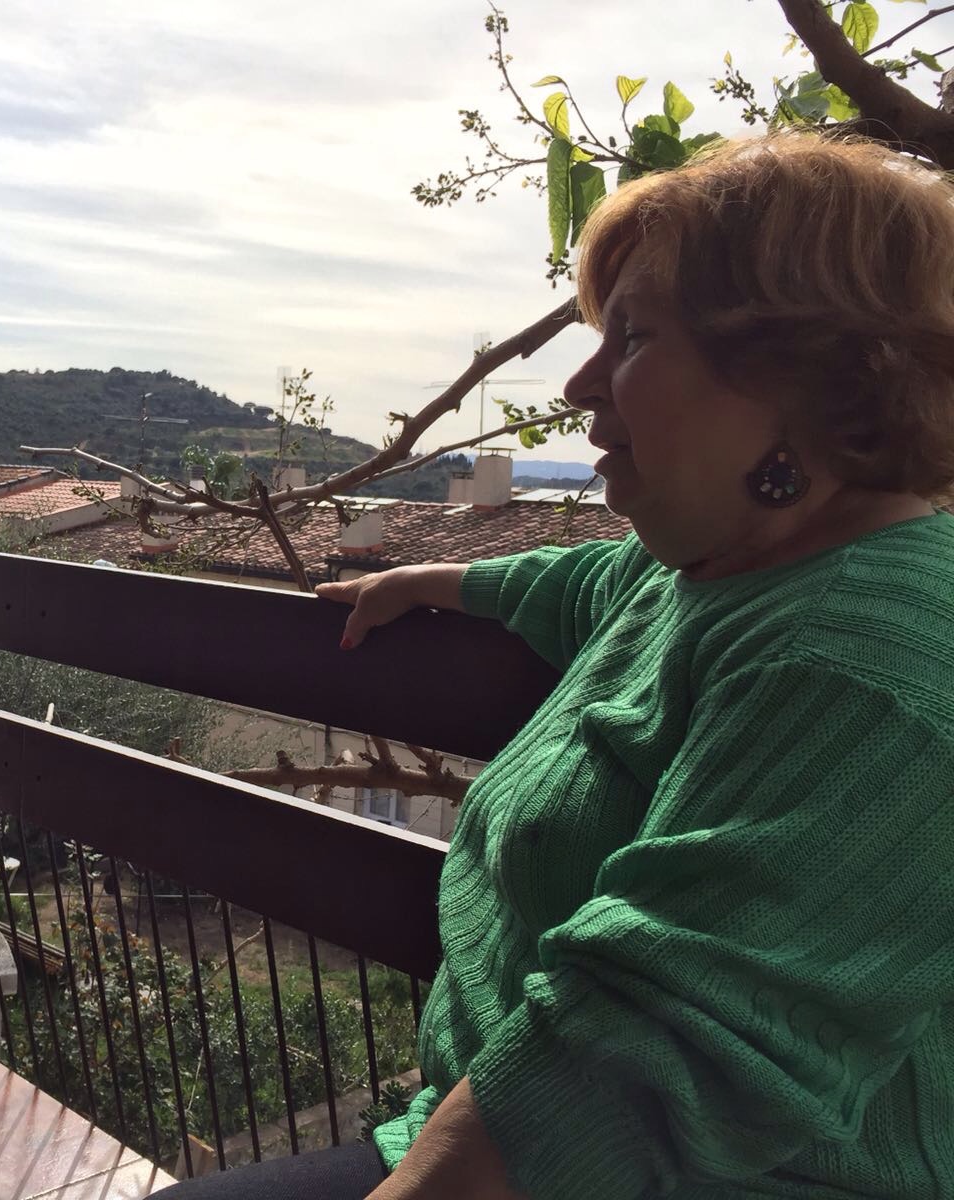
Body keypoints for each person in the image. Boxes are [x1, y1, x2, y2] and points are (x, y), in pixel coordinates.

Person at [158, 132, 954, 1199]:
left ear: (807, 374)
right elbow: (583, 582)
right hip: (488, 1139)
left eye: (632, 337)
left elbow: (656, 1047)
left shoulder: (870, 652)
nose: (578, 384)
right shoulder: (705, 565)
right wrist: (439, 579)